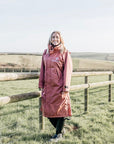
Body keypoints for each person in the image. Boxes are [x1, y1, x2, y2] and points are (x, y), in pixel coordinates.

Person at [39, 31, 72, 142]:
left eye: (57, 37)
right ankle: (61, 130)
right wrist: (41, 84)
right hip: (48, 88)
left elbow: (67, 71)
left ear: (60, 39)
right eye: (53, 37)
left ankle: (58, 134)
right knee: (48, 111)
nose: (55, 39)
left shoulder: (65, 52)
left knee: (61, 110)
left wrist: (66, 88)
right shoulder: (46, 53)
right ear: (50, 39)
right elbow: (42, 70)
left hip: (60, 87)